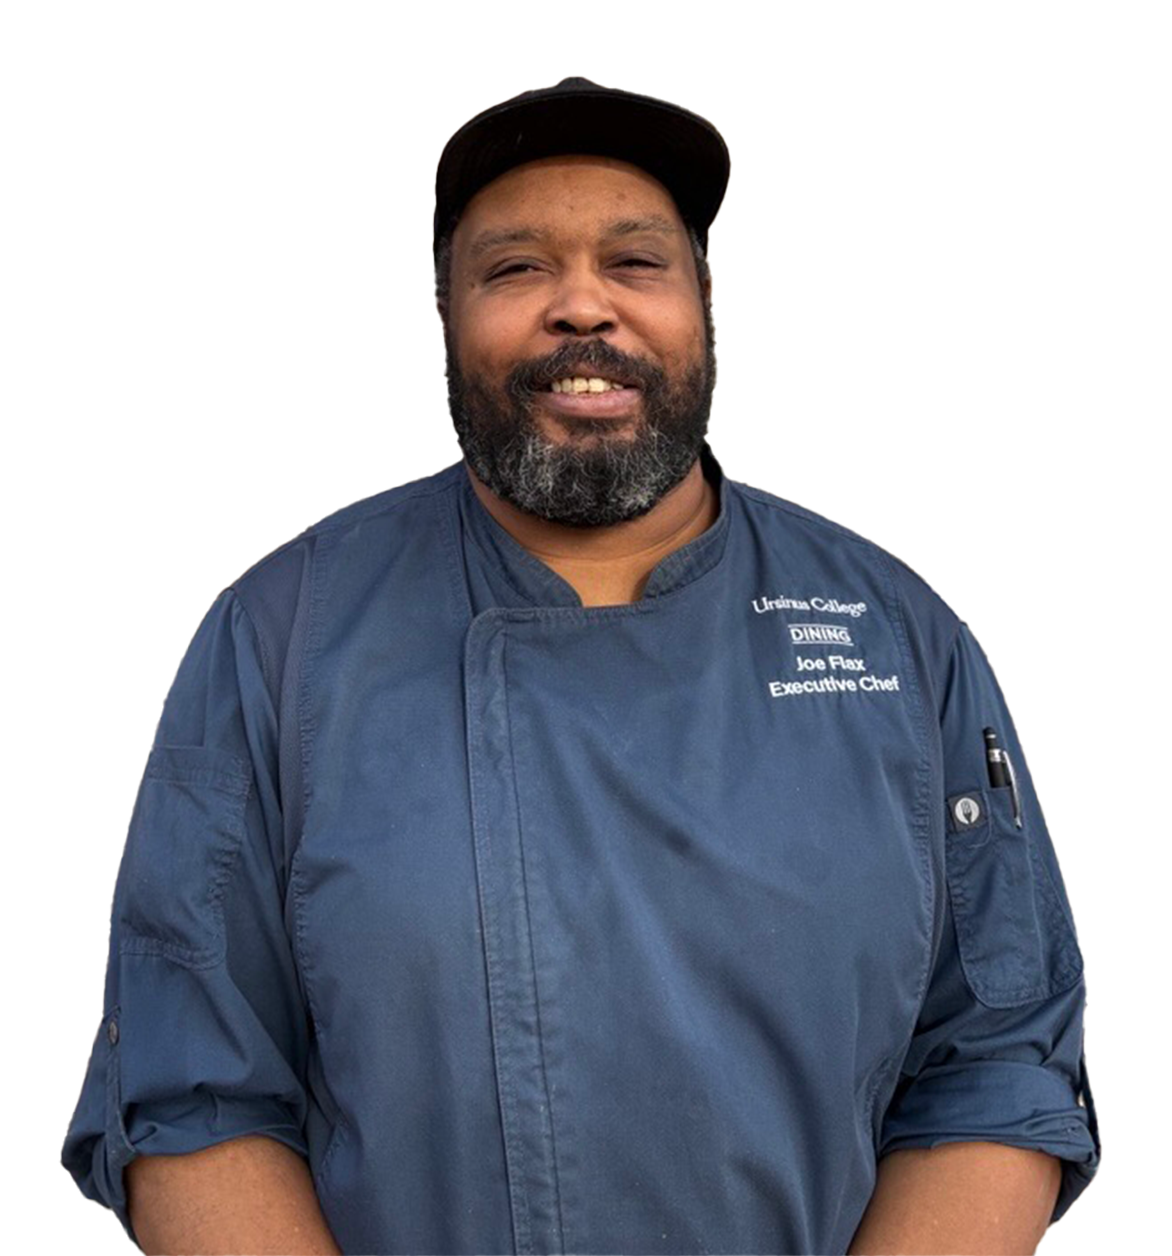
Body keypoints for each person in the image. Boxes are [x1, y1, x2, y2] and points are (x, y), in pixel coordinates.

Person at [63, 77, 1101, 1256]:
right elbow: (192, 1089)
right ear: (446, 319)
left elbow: (994, 1064)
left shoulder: (896, 635)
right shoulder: (280, 635)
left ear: (702, 305)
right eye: (514, 269)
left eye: (634, 262)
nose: (580, 306)